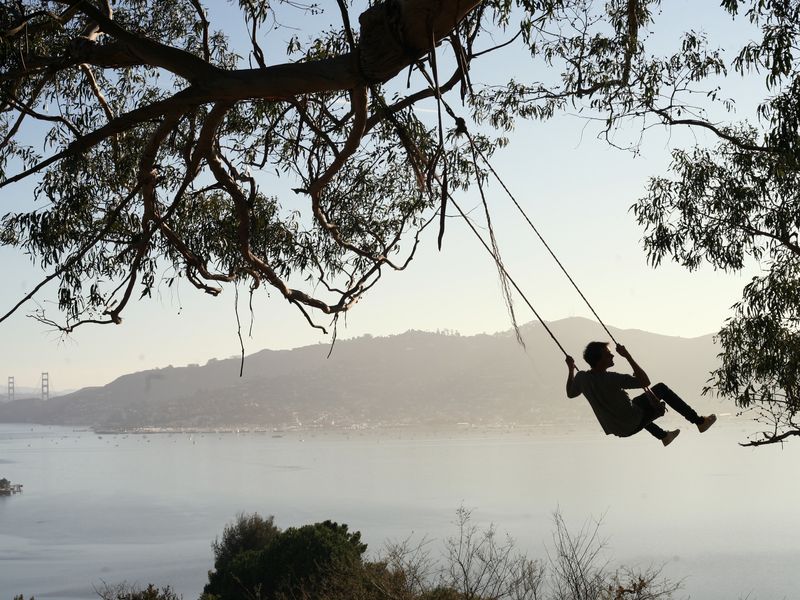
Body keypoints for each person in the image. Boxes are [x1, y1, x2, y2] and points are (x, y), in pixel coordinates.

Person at [565, 341, 716, 446]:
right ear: (599, 360)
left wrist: (571, 368)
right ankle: (699, 422)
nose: (612, 356)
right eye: (608, 354)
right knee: (661, 389)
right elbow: (645, 382)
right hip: (632, 424)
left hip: (617, 429)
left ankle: (664, 436)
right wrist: (627, 356)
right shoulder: (613, 379)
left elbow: (570, 394)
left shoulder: (582, 378)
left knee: (635, 403)